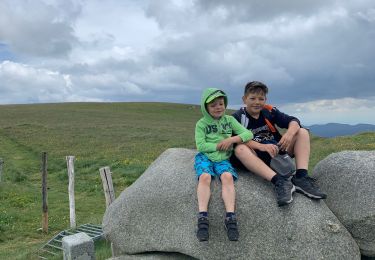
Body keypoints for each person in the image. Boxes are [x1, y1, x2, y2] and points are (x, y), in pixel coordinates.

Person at [231, 81, 326, 206]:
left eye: (261, 98)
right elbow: (236, 139)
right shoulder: (238, 117)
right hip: (257, 158)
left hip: (277, 151)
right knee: (240, 149)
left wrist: (289, 134)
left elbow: (293, 120)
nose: (257, 102)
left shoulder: (268, 111)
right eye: (252, 98)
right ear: (244, 99)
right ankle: (280, 182)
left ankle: (301, 177)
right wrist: (261, 146)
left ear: (265, 99)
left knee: (302, 132)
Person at [194, 88, 253, 242]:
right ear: (206, 108)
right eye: (213, 105)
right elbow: (200, 145)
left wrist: (231, 140)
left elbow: (248, 134)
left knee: (227, 177)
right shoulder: (201, 124)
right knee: (205, 177)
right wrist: (218, 145)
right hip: (205, 156)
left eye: (221, 103)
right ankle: (202, 218)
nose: (218, 107)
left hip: (223, 159)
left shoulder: (229, 120)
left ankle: (230, 218)